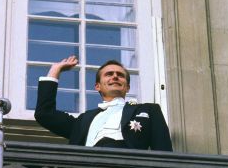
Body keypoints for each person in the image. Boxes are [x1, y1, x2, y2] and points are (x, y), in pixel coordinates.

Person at [34, 56, 172, 151]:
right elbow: (45, 114)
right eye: (109, 74)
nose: (115, 76)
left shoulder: (149, 110)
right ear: (97, 86)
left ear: (127, 87)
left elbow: (163, 151)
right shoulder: (83, 121)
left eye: (120, 75)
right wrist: (55, 70)